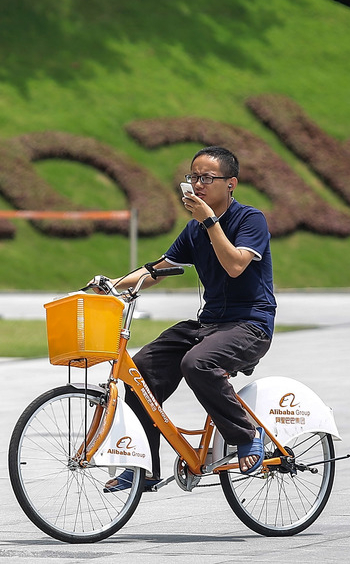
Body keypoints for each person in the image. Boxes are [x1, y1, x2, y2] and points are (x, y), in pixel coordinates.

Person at [97, 145, 276, 492]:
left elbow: (236, 265)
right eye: (193, 177)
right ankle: (143, 467)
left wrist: (209, 221)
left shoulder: (250, 219)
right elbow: (158, 270)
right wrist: (111, 286)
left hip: (250, 325)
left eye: (207, 178)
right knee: (139, 371)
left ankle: (246, 435)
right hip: (209, 324)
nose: (198, 184)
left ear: (231, 183)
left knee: (197, 363)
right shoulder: (194, 231)